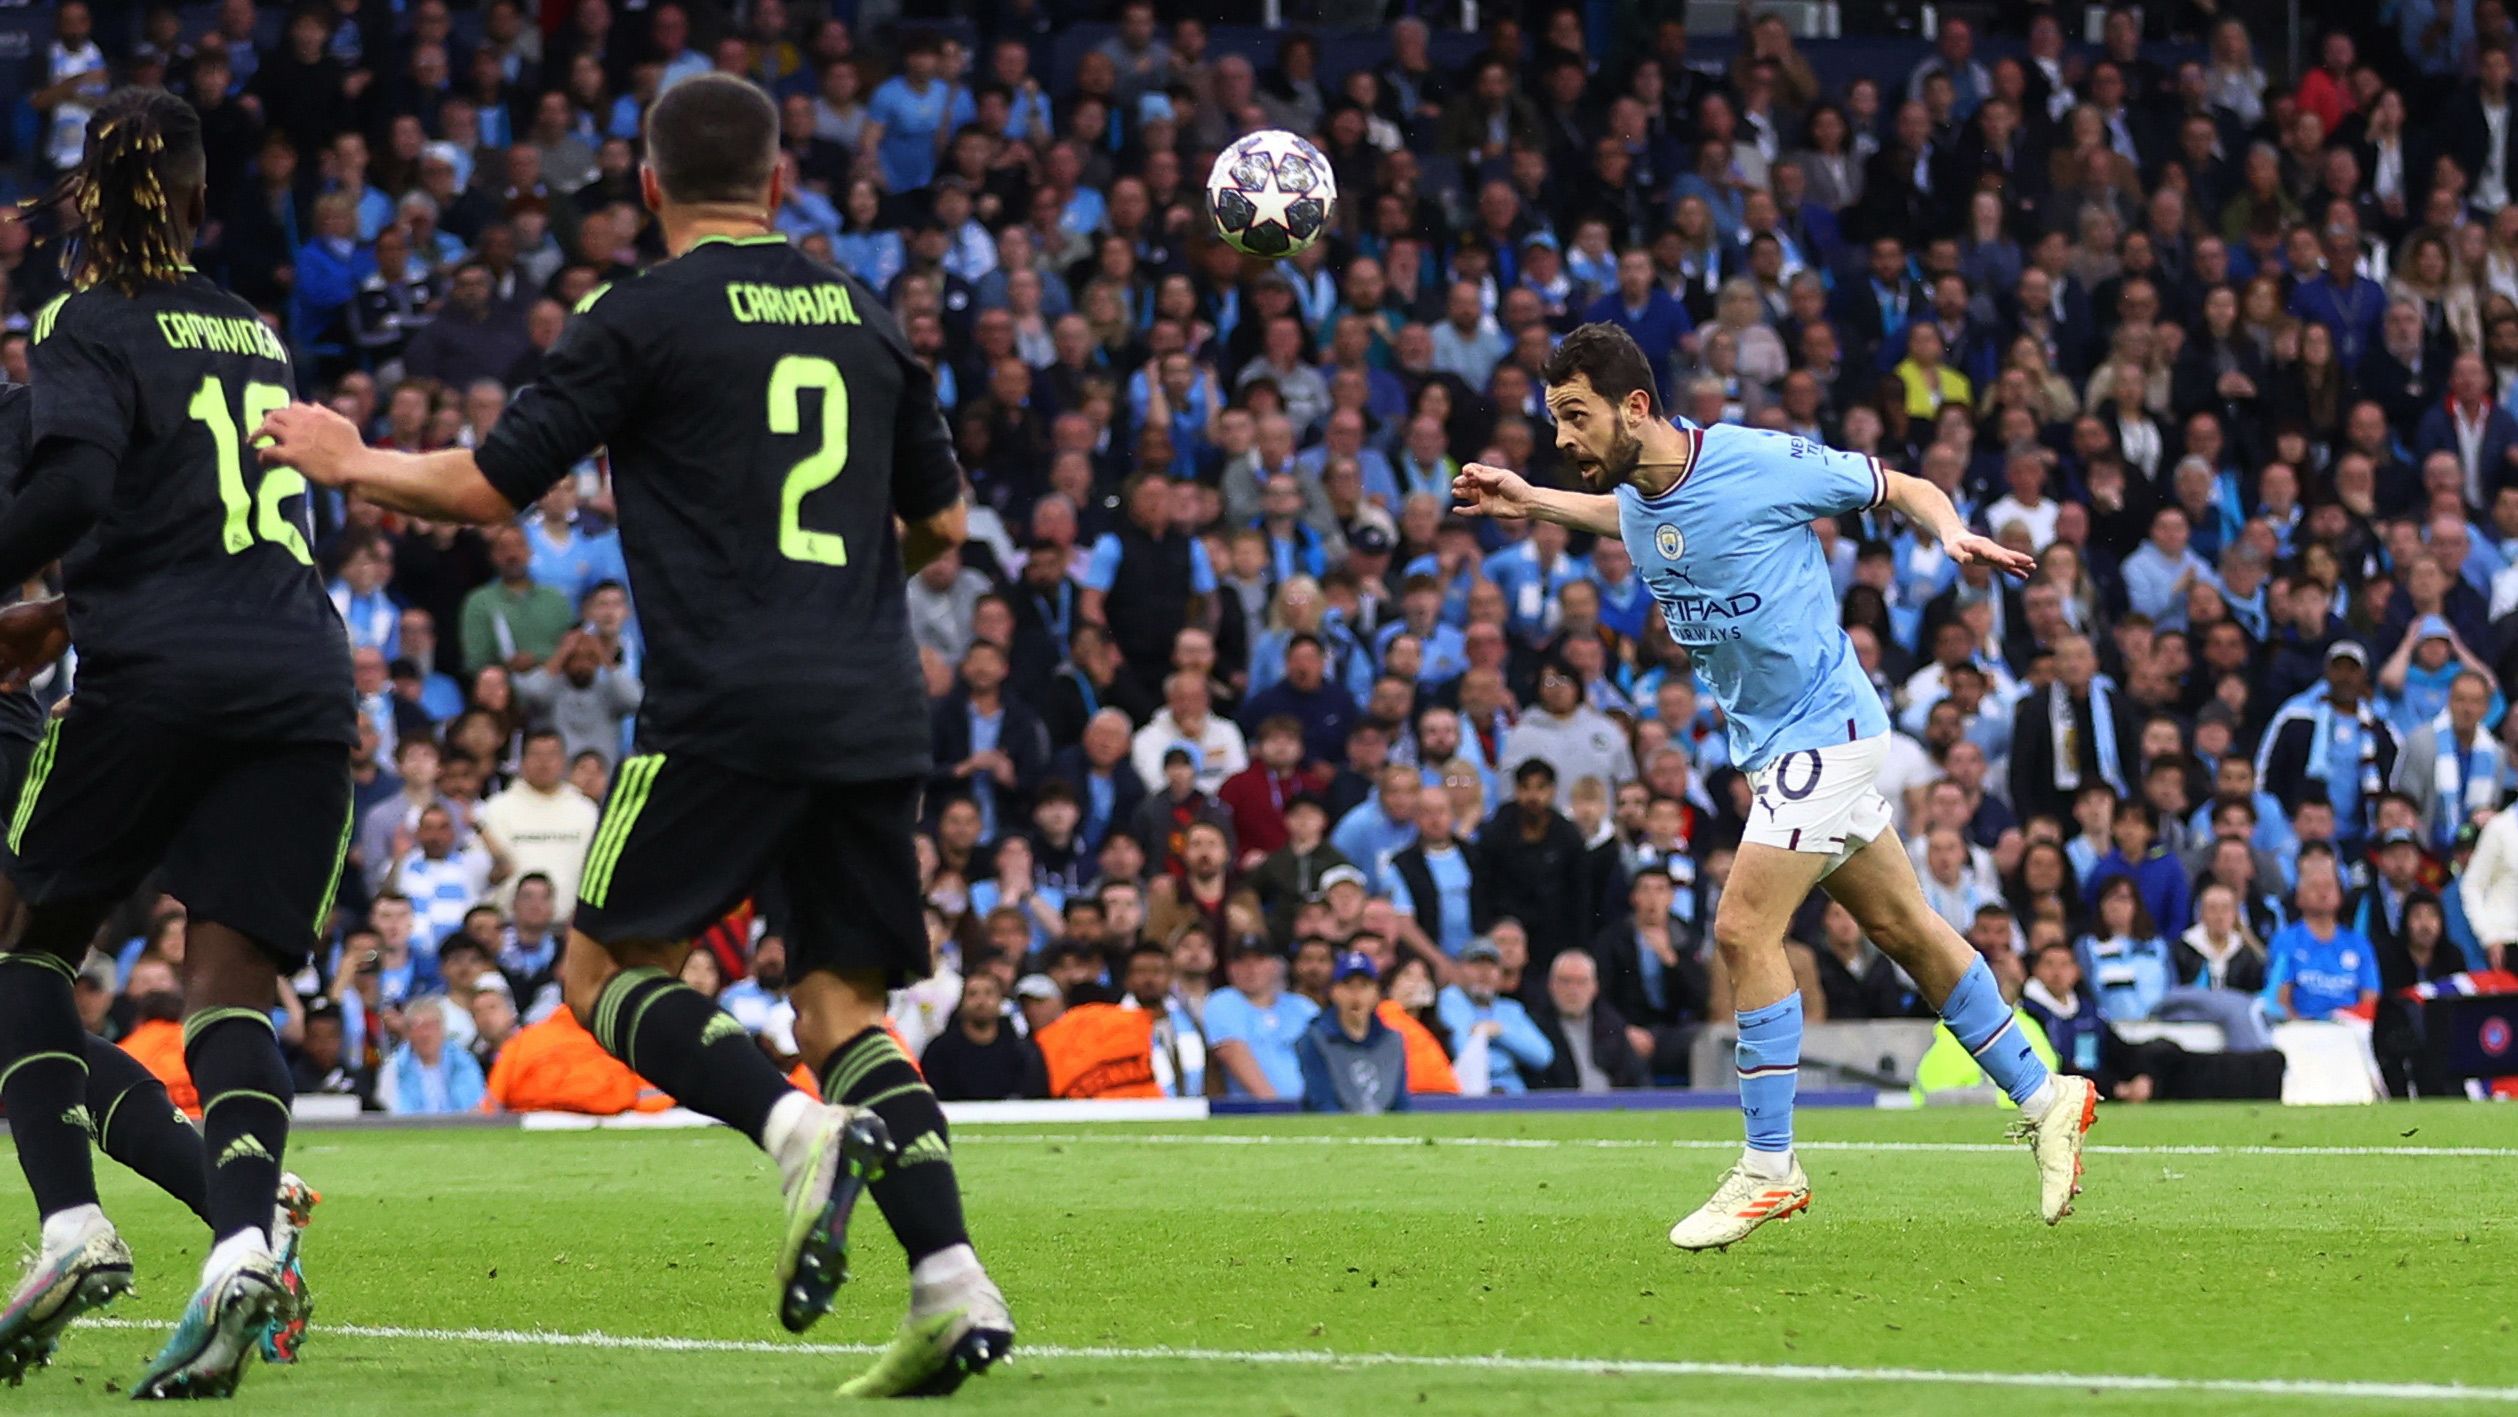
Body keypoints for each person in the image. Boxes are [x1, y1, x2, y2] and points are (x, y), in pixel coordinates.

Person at [256, 76, 1013, 1392]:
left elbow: (492, 483)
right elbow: (942, 531)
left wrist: (350, 456)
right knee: (846, 1005)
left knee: (602, 970)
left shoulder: (640, 311)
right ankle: (952, 1281)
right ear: (779, 186)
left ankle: (791, 1131)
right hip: (874, 699)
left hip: (728, 699)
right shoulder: (863, 313)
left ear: (647, 187)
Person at [1454, 321, 2093, 1251]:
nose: (1561, 438)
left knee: (1743, 927)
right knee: (1905, 928)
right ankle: (2049, 1095)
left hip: (1829, 736)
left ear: (1636, 407)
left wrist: (1951, 531)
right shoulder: (1636, 491)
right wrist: (1531, 501)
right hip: (1776, 748)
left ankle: (1769, 1165)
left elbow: (1897, 483)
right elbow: (1632, 519)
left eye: (1576, 417)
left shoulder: (1756, 463)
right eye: (1555, 420)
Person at [0, 90, 331, 1393]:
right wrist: (65, 607)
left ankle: (78, 1219)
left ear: (85, 202)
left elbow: (81, 485)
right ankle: (240, 1228)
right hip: (297, 670)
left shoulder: (77, 326)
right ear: (198, 200)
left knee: (25, 953)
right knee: (224, 986)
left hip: (142, 676)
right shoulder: (251, 331)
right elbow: (210, 520)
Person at [2264, 851, 2382, 1023]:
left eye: (2328, 886)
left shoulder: (2358, 943)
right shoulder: (2285, 941)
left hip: (2350, 1030)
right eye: (2314, 887)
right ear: (2299, 897)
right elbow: (2279, 1000)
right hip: (2301, 1031)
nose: (2323, 893)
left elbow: (2370, 999)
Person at [1201, 937, 1319, 1100]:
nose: (1251, 969)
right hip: (1255, 1113)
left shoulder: (1302, 1006)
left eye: (1259, 960)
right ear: (1230, 968)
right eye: (1242, 962)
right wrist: (1278, 1109)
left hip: (1312, 1111)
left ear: (1275, 965)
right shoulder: (1223, 1002)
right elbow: (1233, 1051)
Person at [1435, 936, 1555, 1094]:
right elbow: (1464, 1050)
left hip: (1512, 1092)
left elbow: (1543, 1056)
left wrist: (1499, 1032)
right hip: (1469, 1092)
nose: (1484, 972)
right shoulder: (1451, 999)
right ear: (1459, 969)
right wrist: (1509, 1055)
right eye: (1476, 964)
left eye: (1491, 966)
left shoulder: (1511, 1009)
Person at [1295, 951, 1410, 1113]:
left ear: (1376, 993)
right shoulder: (1315, 1039)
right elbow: (1322, 1102)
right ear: (1333, 991)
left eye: (1364, 986)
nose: (1356, 995)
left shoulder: (1392, 1040)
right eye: (1348, 986)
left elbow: (1400, 1102)